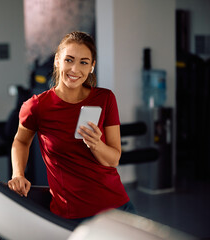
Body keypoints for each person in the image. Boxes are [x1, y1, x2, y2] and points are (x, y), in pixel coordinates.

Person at [7, 31, 135, 221]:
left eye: (84, 62)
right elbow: (21, 141)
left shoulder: (106, 98)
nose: (75, 69)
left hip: (117, 207)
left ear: (92, 67)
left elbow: (113, 159)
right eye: (69, 60)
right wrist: (18, 173)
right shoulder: (36, 106)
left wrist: (96, 145)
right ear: (57, 60)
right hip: (73, 215)